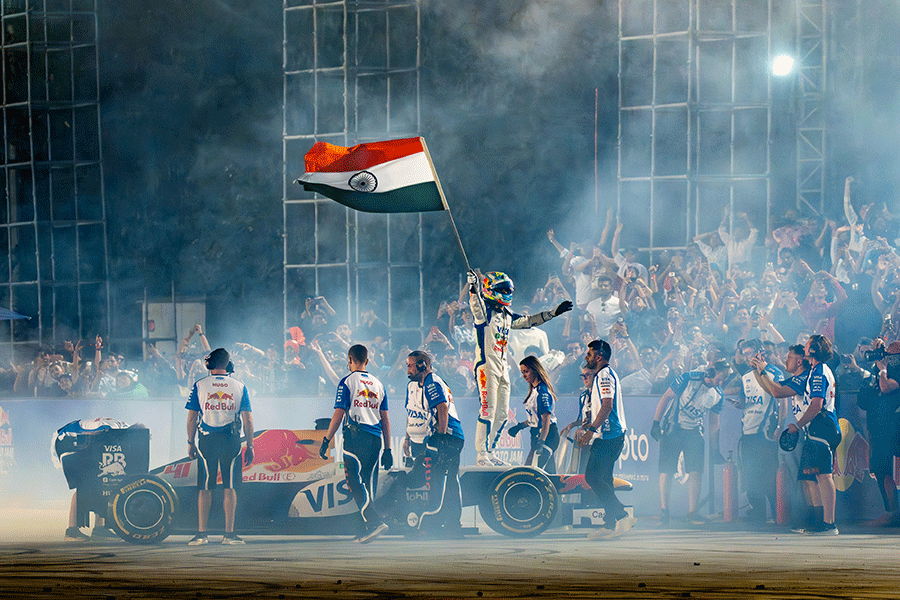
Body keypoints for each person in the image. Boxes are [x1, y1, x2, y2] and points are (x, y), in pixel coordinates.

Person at [467, 269, 572, 466]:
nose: (507, 292)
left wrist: (553, 313)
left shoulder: (507, 315)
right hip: (486, 366)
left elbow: (529, 321)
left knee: (503, 414)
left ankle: (490, 452)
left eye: (508, 289)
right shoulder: (484, 313)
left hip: (503, 367)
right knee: (488, 410)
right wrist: (473, 286)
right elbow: (475, 304)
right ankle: (481, 455)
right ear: (490, 290)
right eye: (502, 289)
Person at [751, 335, 840, 535]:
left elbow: (815, 404)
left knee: (823, 476)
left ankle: (829, 523)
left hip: (821, 427)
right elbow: (773, 389)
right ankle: (818, 521)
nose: (805, 346)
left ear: (813, 351)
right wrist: (758, 370)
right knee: (809, 478)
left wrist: (797, 426)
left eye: (808, 344)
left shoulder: (816, 373)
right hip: (814, 429)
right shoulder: (813, 372)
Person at [320, 344, 392, 543]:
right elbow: (385, 419)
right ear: (367, 361)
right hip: (376, 439)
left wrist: (326, 439)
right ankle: (365, 528)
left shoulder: (347, 382)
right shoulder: (379, 384)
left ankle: (375, 522)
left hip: (355, 437)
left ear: (349, 360)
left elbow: (339, 413)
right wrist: (388, 449)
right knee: (367, 485)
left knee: (353, 481)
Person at [185, 348, 254, 545]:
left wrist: (190, 442)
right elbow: (248, 419)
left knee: (205, 487)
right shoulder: (240, 386)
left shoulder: (200, 385)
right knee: (230, 486)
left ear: (209, 364)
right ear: (228, 365)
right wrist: (250, 445)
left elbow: (191, 418)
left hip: (206, 440)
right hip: (230, 439)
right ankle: (229, 534)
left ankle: (201, 534)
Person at [651, 359, 731, 525]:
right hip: (674, 427)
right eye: (719, 378)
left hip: (694, 430)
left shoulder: (718, 395)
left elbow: (714, 422)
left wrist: (715, 449)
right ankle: (664, 510)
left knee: (696, 471)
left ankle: (692, 513)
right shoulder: (689, 378)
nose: (721, 382)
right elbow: (666, 396)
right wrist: (656, 422)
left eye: (725, 380)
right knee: (667, 470)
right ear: (710, 372)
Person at [577, 340, 635, 538]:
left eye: (589, 354)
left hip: (609, 435)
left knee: (593, 477)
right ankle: (610, 525)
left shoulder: (604, 376)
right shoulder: (605, 374)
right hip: (610, 434)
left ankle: (621, 514)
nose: (587, 357)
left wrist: (591, 430)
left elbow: (607, 405)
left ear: (599, 356)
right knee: (604, 479)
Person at [403, 350, 466, 535]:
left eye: (410, 365)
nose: (407, 369)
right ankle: (450, 524)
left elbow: (442, 408)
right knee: (444, 480)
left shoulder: (433, 382)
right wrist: (407, 438)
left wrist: (440, 436)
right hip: (443, 437)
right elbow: (412, 412)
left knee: (441, 480)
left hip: (449, 437)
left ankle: (439, 523)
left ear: (422, 365)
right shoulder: (415, 386)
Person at [729, 339, 782, 526]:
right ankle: (758, 517)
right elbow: (746, 399)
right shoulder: (745, 376)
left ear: (760, 352)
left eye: (751, 353)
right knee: (751, 478)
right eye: (745, 354)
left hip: (765, 432)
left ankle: (779, 516)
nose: (748, 357)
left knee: (769, 478)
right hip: (748, 432)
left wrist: (778, 426)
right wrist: (741, 404)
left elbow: (780, 399)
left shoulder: (774, 372)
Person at [53, 418, 132, 541]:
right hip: (66, 441)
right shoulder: (107, 429)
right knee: (84, 484)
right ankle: (72, 531)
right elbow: (90, 435)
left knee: (101, 482)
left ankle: (99, 529)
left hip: (84, 440)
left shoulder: (123, 427)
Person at [507, 355, 560, 472]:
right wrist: (520, 426)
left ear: (535, 370)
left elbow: (546, 419)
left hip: (547, 436)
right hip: (537, 435)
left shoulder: (542, 392)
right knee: (545, 471)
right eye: (522, 372)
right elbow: (536, 418)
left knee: (534, 472)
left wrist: (541, 441)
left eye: (526, 371)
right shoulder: (534, 390)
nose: (523, 375)